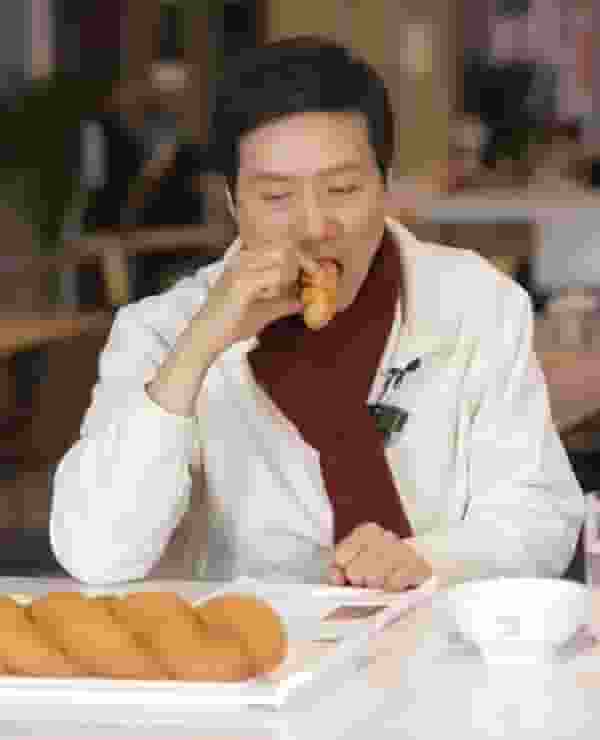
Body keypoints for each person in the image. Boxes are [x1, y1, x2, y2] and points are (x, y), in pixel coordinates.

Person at [50, 36, 584, 589]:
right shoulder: (164, 329)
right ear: (233, 202)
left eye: (342, 189)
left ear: (384, 185)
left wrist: (428, 560)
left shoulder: (477, 301)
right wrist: (198, 348)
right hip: (256, 639)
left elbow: (540, 517)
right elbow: (95, 554)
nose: (314, 227)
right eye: (276, 198)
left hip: (445, 631)